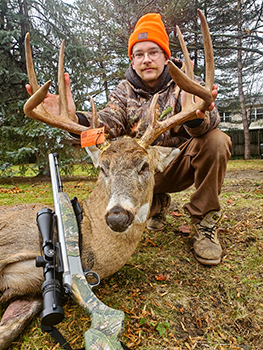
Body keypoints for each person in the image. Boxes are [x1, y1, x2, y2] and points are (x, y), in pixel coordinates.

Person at [26, 13, 231, 266]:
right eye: (138, 54)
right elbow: (105, 127)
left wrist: (195, 118)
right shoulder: (124, 91)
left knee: (216, 141)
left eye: (153, 52)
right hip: (137, 174)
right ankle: (156, 203)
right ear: (132, 61)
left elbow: (211, 121)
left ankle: (204, 222)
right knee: (120, 161)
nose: (146, 59)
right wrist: (75, 121)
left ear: (166, 56)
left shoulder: (186, 83)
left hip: (175, 164)